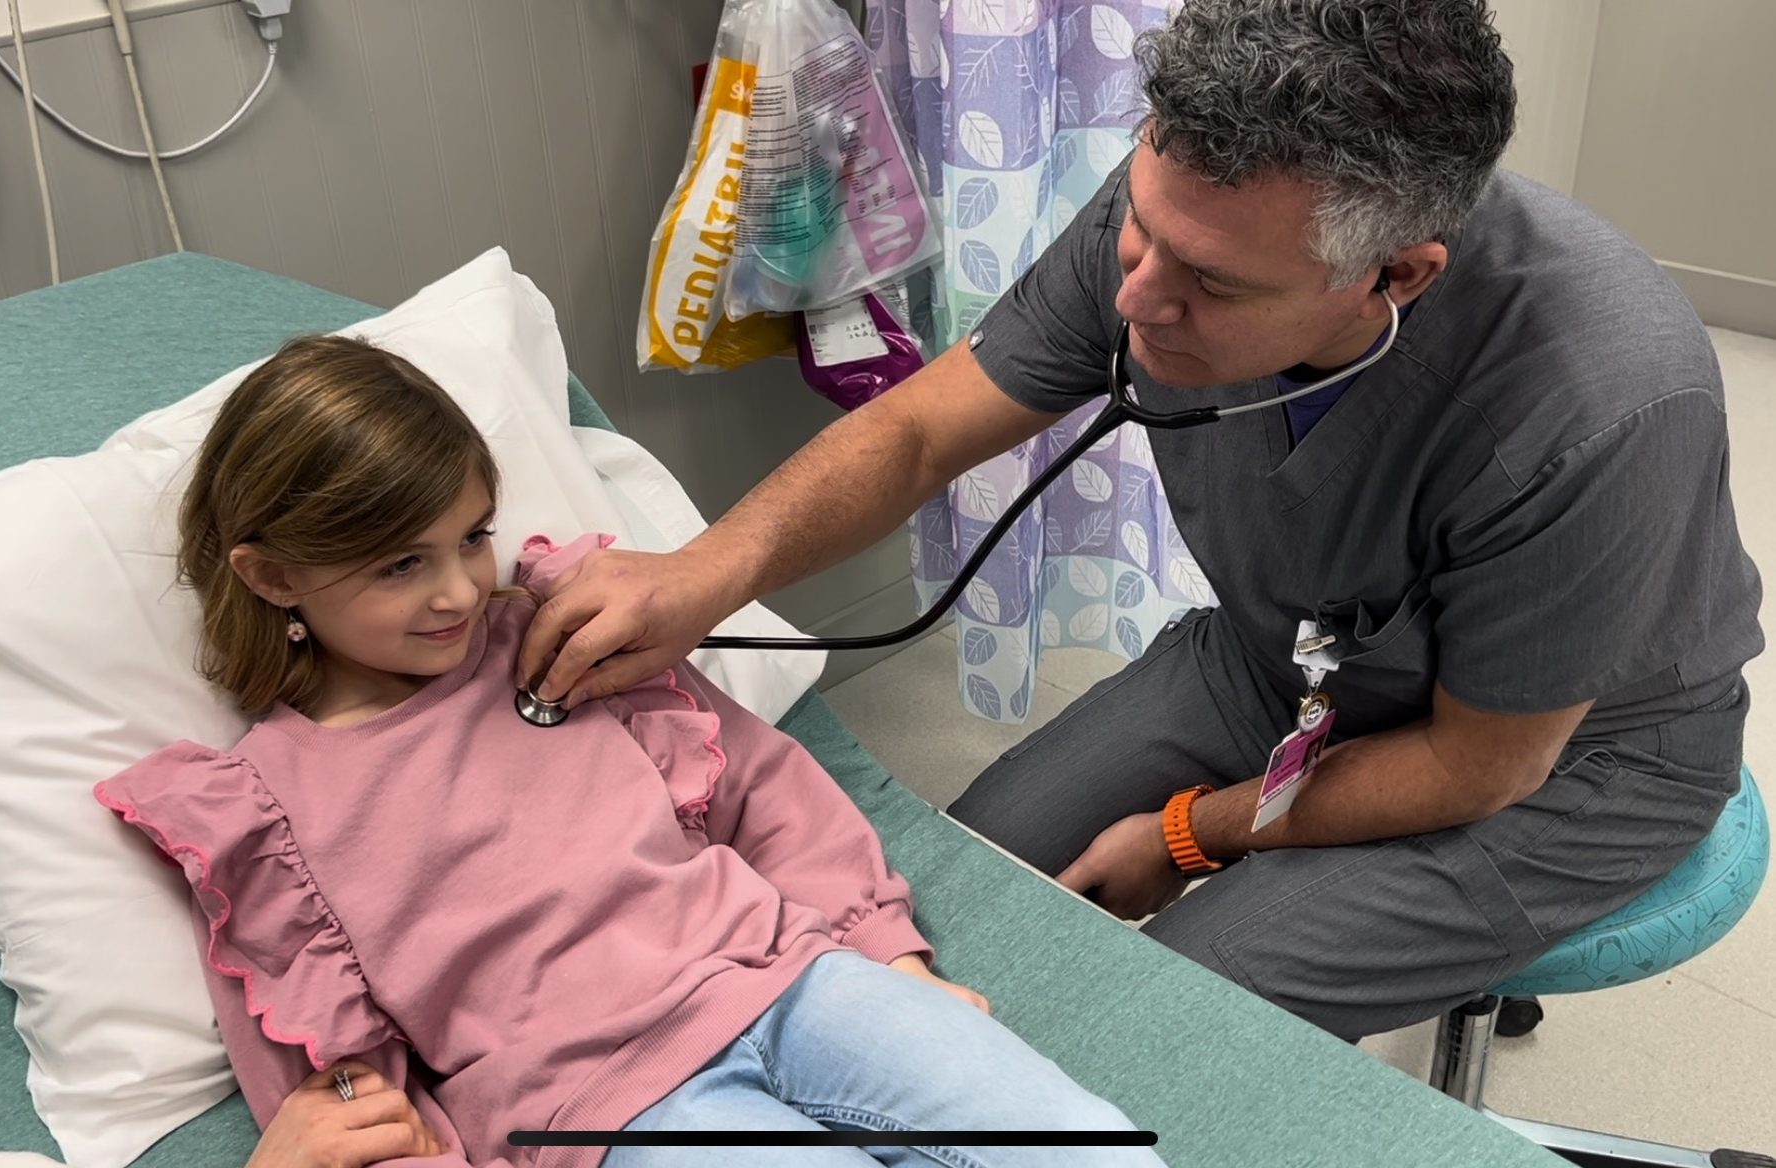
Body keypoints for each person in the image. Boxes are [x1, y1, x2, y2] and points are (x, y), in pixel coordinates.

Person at [519, 0, 1763, 1042]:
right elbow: (917, 428)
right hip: (1286, 662)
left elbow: (1474, 764)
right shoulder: (1188, 210)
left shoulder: (1601, 401)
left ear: (1395, 275)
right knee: (940, 907)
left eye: (1208, 285)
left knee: (1159, 1015)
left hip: (1568, 767)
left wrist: (1189, 833)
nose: (1135, 295)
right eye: (1141, 230)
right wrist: (703, 573)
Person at [96, 335, 1160, 1168]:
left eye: (472, 536)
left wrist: (890, 953)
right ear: (274, 576)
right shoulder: (264, 817)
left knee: (1086, 1137)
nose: (461, 590)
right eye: (399, 565)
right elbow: (343, 1099)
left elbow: (765, 789)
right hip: (608, 1110)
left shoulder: (564, 636)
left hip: (791, 983)